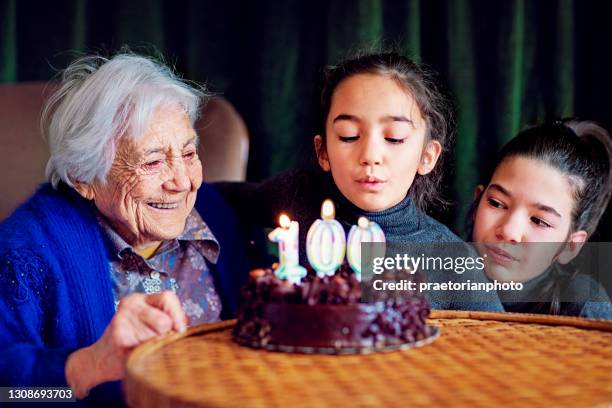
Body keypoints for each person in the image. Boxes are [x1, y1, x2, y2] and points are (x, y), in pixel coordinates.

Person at [0, 52, 247, 404]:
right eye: (153, 161)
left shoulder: (215, 211)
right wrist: (86, 367)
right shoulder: (25, 251)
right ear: (83, 178)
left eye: (189, 153)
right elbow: (8, 395)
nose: (181, 182)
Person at [217, 52, 503, 311]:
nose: (370, 156)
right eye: (349, 135)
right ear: (323, 151)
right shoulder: (296, 194)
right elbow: (214, 198)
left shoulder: (451, 260)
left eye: (394, 138)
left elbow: (498, 349)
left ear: (427, 156)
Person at [471, 119, 612, 319]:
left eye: (539, 221)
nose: (509, 231)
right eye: (496, 203)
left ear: (570, 246)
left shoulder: (583, 305)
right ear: (477, 202)